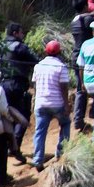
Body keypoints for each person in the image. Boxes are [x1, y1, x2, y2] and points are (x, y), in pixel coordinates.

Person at [0, 22, 39, 158]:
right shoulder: (20, 47)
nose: (23, 35)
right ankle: (15, 146)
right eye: (21, 32)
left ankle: (7, 146)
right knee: (23, 115)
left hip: (2, 85)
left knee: (7, 115)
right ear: (15, 33)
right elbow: (35, 61)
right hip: (17, 85)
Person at [32, 40, 71, 171]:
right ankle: (61, 153)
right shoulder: (61, 66)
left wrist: (35, 100)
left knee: (40, 131)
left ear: (45, 51)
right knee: (65, 124)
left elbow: (35, 85)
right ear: (59, 52)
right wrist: (67, 105)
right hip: (57, 103)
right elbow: (64, 87)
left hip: (41, 103)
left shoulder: (38, 66)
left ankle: (37, 160)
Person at [70, 0, 94, 130]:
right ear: (86, 6)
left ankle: (79, 118)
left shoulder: (74, 20)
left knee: (81, 88)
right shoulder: (88, 19)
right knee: (84, 88)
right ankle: (80, 119)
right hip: (86, 56)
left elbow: (85, 17)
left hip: (76, 55)